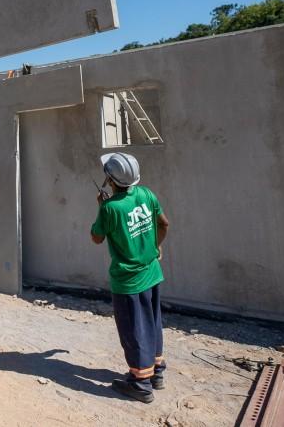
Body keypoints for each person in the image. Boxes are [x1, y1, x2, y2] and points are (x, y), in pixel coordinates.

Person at [90, 152, 170, 403]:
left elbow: (97, 237)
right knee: (152, 321)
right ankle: (156, 372)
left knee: (134, 329)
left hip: (128, 281)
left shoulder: (111, 208)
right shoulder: (146, 194)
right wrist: (157, 246)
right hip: (152, 274)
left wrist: (102, 207)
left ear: (110, 181)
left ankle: (140, 384)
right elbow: (164, 224)